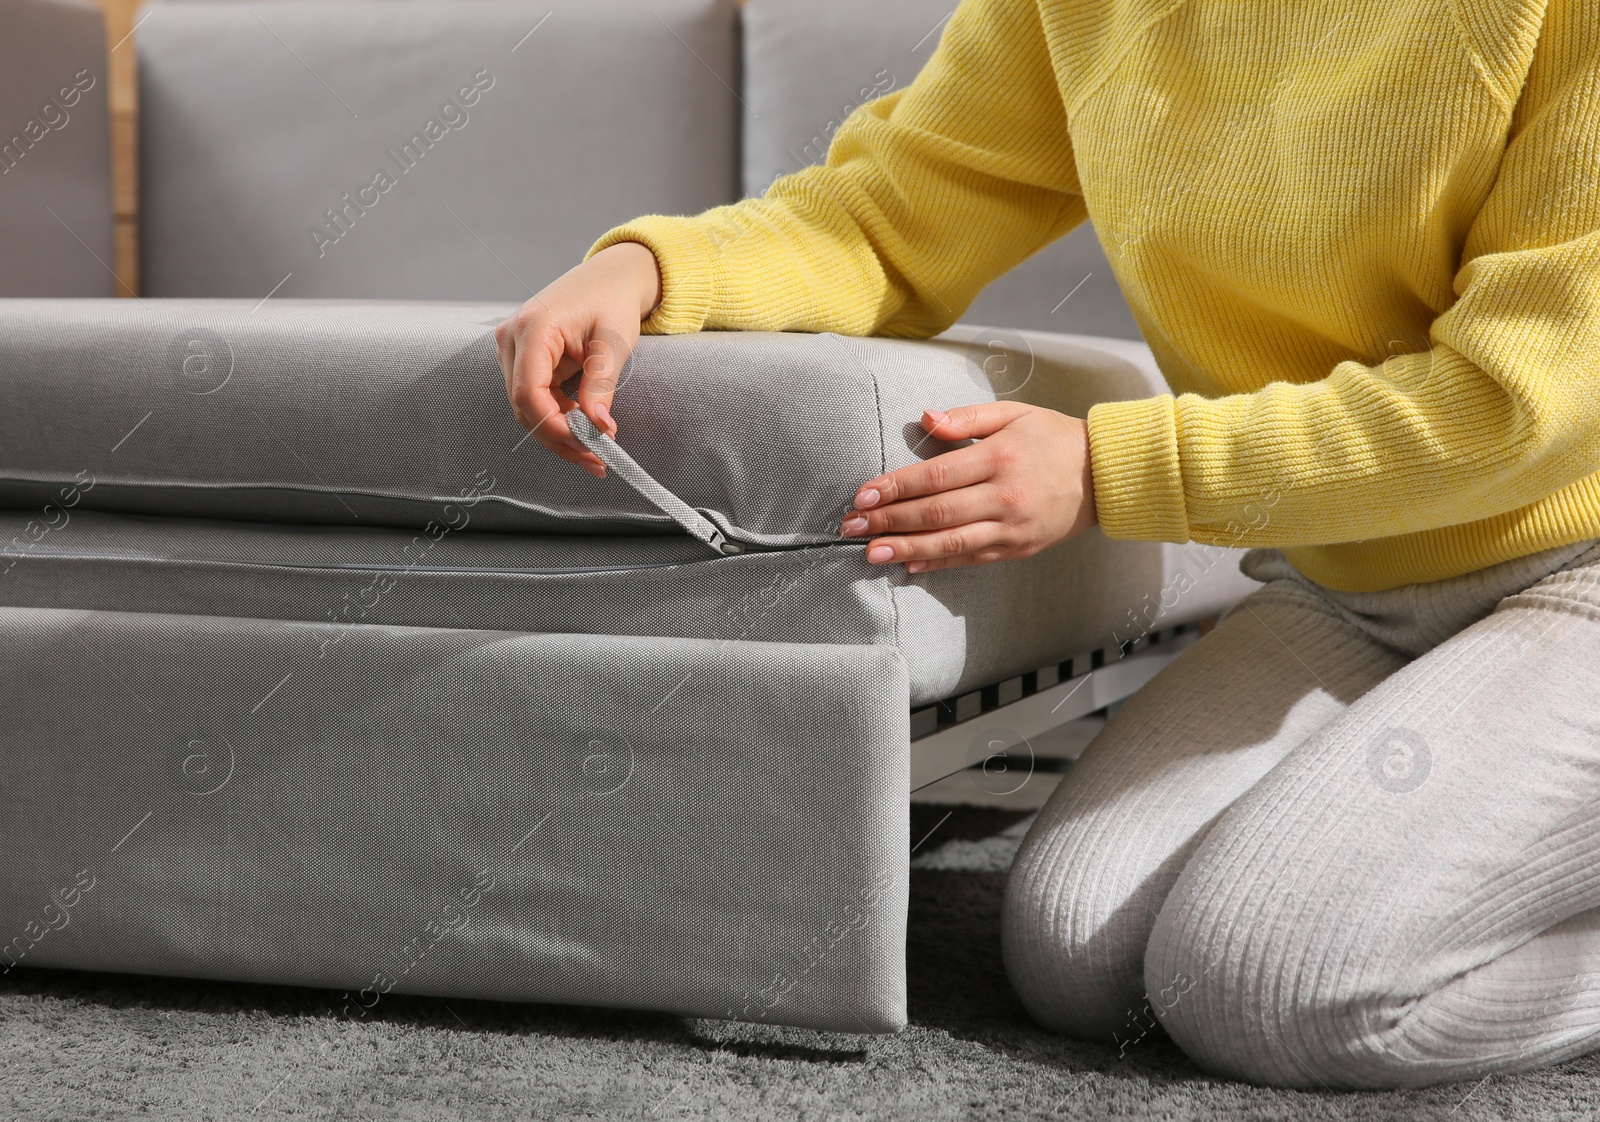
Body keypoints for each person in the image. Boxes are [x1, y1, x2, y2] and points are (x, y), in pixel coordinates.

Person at [495, 0, 1600, 1091]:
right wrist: (648, 270)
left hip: (1578, 573)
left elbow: (1523, 402)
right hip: (1349, 580)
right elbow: (886, 219)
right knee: (1079, 955)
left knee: (1265, 989)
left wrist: (1109, 471)